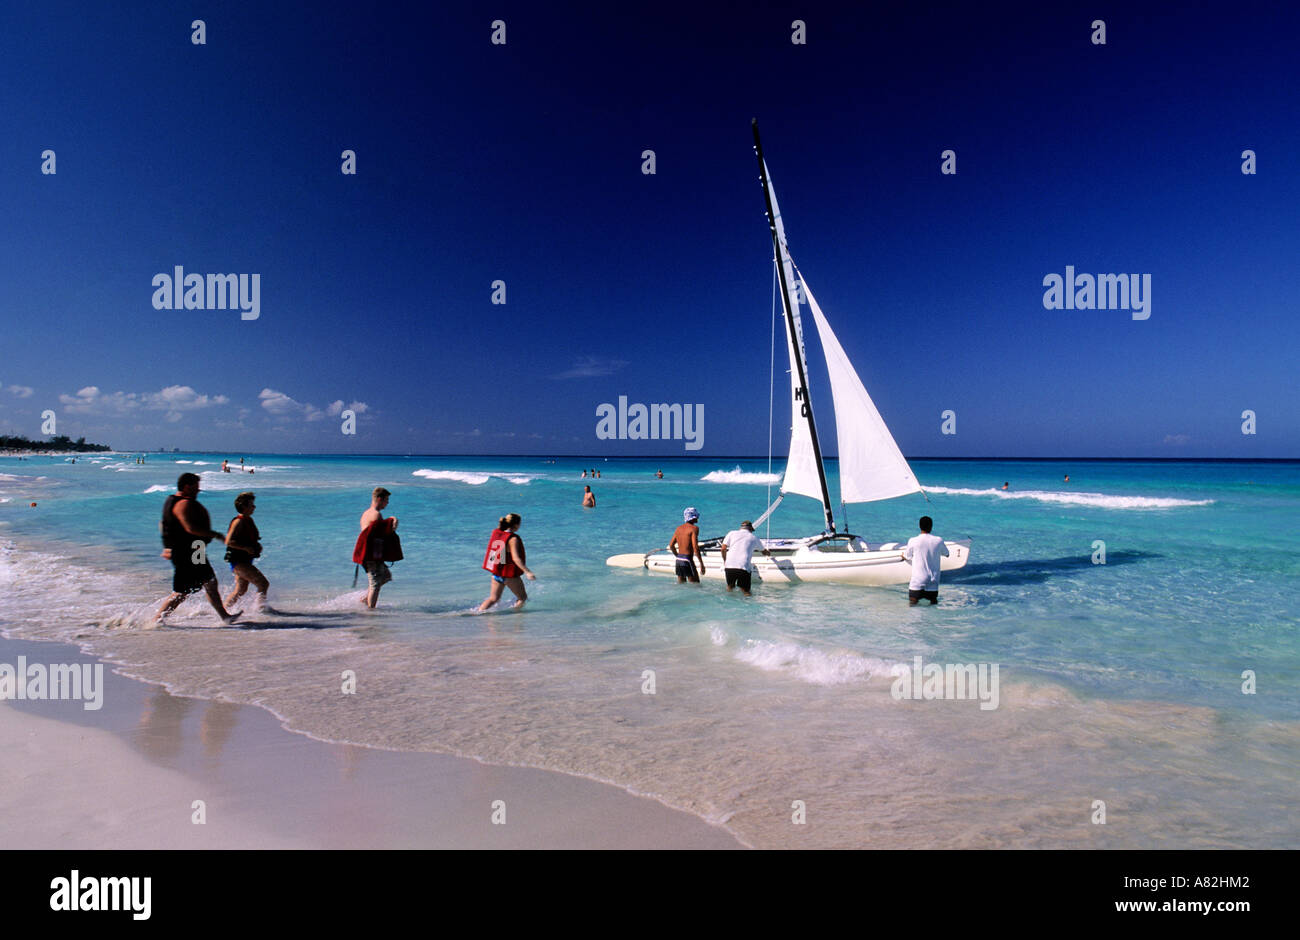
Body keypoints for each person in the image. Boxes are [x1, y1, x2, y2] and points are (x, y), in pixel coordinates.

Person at [156, 473, 240, 624]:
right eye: (196, 487)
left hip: (195, 549)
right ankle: (158, 620)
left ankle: (225, 616)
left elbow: (162, 525)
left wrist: (167, 546)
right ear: (187, 487)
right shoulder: (183, 503)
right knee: (183, 591)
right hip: (189, 551)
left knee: (209, 582)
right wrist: (217, 535)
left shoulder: (171, 501)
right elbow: (190, 528)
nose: (198, 491)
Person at [223, 491, 269, 611]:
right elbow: (228, 541)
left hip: (245, 560)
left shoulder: (249, 520)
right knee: (263, 583)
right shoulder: (238, 521)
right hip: (238, 561)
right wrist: (246, 548)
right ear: (244, 507)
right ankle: (262, 610)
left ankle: (224, 610)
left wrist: (256, 545)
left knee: (241, 590)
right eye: (251, 505)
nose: (254, 507)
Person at [479, 513, 536, 610]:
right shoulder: (513, 539)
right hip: (508, 576)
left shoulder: (497, 533)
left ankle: (479, 614)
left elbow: (495, 555)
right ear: (516, 525)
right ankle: (516, 619)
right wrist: (528, 572)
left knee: (493, 599)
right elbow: (516, 558)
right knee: (522, 598)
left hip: (496, 574)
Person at [356, 487, 398, 608]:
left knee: (386, 576)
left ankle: (365, 599)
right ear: (380, 499)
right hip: (371, 555)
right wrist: (393, 522)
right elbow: (383, 535)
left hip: (369, 554)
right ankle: (371, 613)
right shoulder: (376, 515)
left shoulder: (366, 513)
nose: (387, 503)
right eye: (386, 500)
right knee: (375, 584)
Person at [902, 515, 949, 606]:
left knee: (913, 604)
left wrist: (903, 556)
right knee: (933, 605)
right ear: (931, 527)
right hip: (933, 580)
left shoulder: (913, 540)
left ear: (919, 526)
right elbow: (947, 554)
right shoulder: (939, 540)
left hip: (918, 579)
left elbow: (907, 556)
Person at [720, 520, 769, 596]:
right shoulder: (754, 538)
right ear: (750, 529)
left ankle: (728, 606)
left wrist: (725, 561)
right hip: (743, 566)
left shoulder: (731, 533)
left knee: (730, 587)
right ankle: (749, 606)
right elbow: (764, 552)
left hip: (729, 565)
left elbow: (723, 548)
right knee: (746, 591)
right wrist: (768, 553)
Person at [668, 508, 705, 583]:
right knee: (696, 586)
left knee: (682, 585)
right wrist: (701, 564)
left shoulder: (678, 528)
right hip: (687, 560)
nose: (697, 518)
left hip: (679, 560)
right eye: (696, 516)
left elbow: (671, 545)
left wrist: (677, 555)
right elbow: (695, 547)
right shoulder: (694, 528)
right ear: (693, 517)